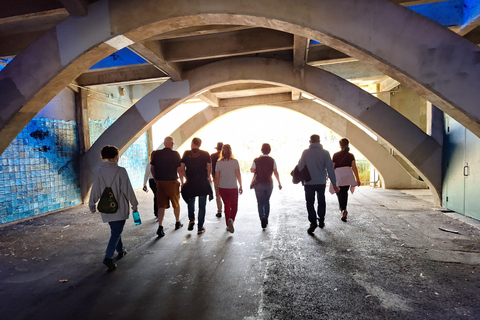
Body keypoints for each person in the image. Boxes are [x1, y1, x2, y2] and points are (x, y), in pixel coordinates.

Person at [89, 145, 138, 271]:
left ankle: (121, 250)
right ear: (116, 156)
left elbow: (95, 189)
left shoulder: (99, 171)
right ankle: (108, 257)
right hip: (120, 207)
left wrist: (92, 203)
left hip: (106, 207)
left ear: (103, 156)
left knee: (115, 230)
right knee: (116, 232)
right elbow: (127, 188)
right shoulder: (121, 170)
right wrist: (134, 204)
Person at [297, 134, 339, 235]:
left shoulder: (305, 152)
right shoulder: (325, 153)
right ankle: (321, 220)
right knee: (321, 200)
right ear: (319, 141)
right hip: (321, 181)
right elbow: (330, 169)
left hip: (309, 182)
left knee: (310, 202)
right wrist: (334, 183)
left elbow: (300, 166)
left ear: (310, 141)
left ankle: (313, 222)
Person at [150, 136, 183, 238]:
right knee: (176, 203)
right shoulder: (175, 154)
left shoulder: (157, 154)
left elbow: (152, 168)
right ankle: (177, 222)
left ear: (164, 144)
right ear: (172, 144)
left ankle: (160, 226)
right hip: (172, 182)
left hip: (160, 182)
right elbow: (179, 169)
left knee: (161, 205)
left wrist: (156, 180)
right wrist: (182, 182)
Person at [180, 137, 212, 234]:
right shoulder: (206, 154)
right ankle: (200, 227)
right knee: (202, 206)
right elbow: (209, 169)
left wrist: (187, 177)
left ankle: (191, 219)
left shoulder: (186, 153)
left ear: (192, 143)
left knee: (191, 201)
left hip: (191, 182)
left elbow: (181, 169)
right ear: (200, 144)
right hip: (202, 182)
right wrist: (206, 177)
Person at [250, 143, 282, 229]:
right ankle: (266, 218)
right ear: (269, 151)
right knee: (266, 201)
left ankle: (262, 218)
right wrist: (279, 183)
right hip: (269, 183)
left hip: (259, 183)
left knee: (260, 202)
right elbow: (275, 172)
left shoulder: (256, 160)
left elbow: (252, 170)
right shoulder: (272, 160)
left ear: (261, 150)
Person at [214, 144, 243, 233]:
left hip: (222, 187)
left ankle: (227, 224)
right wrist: (241, 185)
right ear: (231, 151)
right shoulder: (235, 162)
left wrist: (216, 188)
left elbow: (217, 177)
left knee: (227, 206)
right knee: (234, 206)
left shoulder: (219, 163)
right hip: (233, 187)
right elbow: (238, 174)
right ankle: (231, 220)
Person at [331, 138, 361, 222]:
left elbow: (332, 167)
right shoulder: (351, 155)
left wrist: (329, 176)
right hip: (348, 175)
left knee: (339, 192)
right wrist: (357, 179)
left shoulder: (335, 155)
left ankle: (343, 209)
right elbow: (354, 168)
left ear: (340, 145)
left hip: (339, 175)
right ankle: (344, 209)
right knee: (344, 192)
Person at [143, 150, 158, 218]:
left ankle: (156, 212)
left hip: (151, 181)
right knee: (158, 196)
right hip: (157, 181)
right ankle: (157, 212)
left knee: (156, 195)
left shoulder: (149, 165)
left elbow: (146, 175)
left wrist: (144, 184)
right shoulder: (158, 164)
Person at [211, 142, 223, 217]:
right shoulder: (226, 157)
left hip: (216, 177)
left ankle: (219, 211)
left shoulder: (212, 156)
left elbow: (210, 166)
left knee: (218, 195)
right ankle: (228, 209)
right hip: (225, 177)